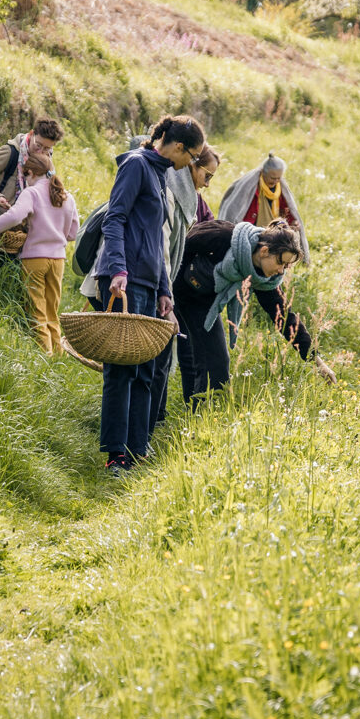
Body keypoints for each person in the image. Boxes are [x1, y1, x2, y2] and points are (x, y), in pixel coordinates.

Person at [93, 114, 206, 476]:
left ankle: (137, 449)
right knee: (121, 370)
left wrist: (164, 290)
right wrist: (118, 269)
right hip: (125, 280)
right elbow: (115, 219)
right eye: (192, 156)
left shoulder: (159, 174)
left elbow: (157, 240)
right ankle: (115, 455)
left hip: (149, 284)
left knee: (146, 370)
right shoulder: (136, 166)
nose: (192, 164)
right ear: (178, 146)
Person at [173, 220, 335, 405]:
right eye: (280, 262)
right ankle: (186, 413)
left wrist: (317, 361)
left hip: (204, 303)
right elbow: (179, 246)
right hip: (175, 291)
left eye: (286, 267)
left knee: (206, 359)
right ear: (264, 251)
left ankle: (194, 414)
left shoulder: (264, 278)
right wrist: (166, 292)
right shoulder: (223, 236)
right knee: (211, 362)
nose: (281, 271)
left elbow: (284, 317)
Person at [148, 143, 222, 436]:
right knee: (162, 350)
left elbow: (208, 230)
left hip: (187, 287)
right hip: (166, 281)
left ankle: (192, 409)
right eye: (207, 175)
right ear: (192, 165)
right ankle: (156, 417)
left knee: (187, 349)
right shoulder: (169, 193)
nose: (208, 183)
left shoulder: (198, 203)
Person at [0, 152, 79, 355]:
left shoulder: (32, 193)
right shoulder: (67, 196)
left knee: (36, 309)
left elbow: (15, 215)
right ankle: (58, 354)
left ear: (32, 173)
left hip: (34, 259)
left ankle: (45, 355)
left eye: (25, 175)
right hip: (58, 260)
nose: (25, 180)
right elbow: (73, 233)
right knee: (52, 309)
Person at [217, 152, 311, 262]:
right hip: (252, 230)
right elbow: (237, 212)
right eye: (272, 178)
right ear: (263, 172)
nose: (276, 181)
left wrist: (292, 224)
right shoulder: (251, 187)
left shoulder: (280, 188)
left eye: (279, 178)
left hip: (274, 229)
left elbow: (287, 211)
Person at [0, 117, 65, 219]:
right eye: (38, 145)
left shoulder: (47, 161)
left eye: (46, 148)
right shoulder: (10, 152)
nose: (40, 152)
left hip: (26, 223)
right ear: (31, 134)